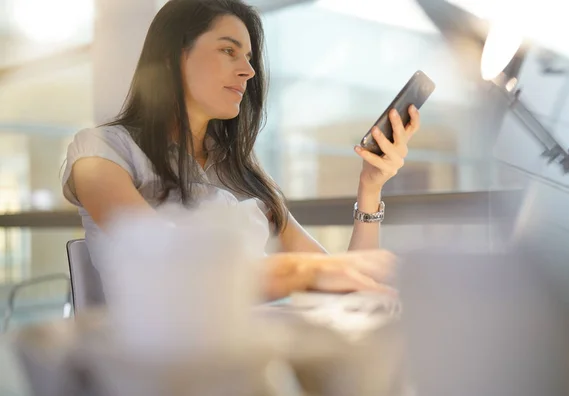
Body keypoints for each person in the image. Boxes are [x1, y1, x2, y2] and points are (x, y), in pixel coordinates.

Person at [61, 0, 421, 300]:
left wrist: (371, 186)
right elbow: (172, 267)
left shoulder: (240, 171)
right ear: (172, 57)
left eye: (248, 57)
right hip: (173, 365)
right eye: (228, 50)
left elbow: (346, 286)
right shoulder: (100, 152)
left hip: (264, 349)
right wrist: (303, 272)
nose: (248, 71)